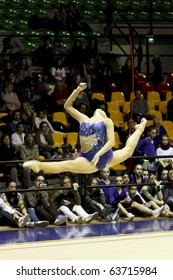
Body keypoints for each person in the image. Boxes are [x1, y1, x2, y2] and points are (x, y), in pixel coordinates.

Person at [23, 82, 147, 174]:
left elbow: (111, 142)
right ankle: (38, 165)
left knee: (128, 150)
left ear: (104, 113)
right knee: (67, 164)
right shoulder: (84, 119)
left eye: (102, 110)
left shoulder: (106, 121)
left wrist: (98, 154)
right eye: (98, 109)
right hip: (89, 159)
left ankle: (140, 128)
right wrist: (77, 90)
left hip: (103, 156)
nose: (100, 109)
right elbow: (67, 106)